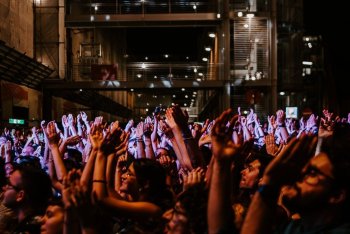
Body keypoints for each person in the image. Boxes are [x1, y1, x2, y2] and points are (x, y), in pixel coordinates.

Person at [242, 123, 350, 234]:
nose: (299, 176)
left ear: (337, 195)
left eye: (312, 173)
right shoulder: (294, 228)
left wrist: (270, 183)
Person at [1, 165, 53, 233]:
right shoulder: (16, 224)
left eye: (9, 184)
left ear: (20, 195)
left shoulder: (31, 229)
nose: (4, 188)